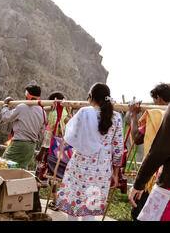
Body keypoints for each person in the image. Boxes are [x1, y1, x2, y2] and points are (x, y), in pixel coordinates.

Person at [55, 83, 124, 221]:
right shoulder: (116, 117)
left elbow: (70, 138)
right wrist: (115, 173)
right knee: (91, 205)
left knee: (74, 199)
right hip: (102, 167)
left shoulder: (84, 113)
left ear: (91, 97)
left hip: (81, 163)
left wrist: (69, 122)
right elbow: (118, 148)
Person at [128, 83, 170, 220]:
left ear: (158, 98)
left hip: (156, 178)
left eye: (154, 99)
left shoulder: (156, 115)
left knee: (138, 212)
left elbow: (137, 138)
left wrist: (133, 116)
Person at [36, 91, 73, 211]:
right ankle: (56, 200)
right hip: (65, 150)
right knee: (56, 176)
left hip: (53, 149)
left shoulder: (54, 114)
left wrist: (41, 152)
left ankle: (34, 200)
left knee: (41, 173)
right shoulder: (68, 113)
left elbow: (48, 135)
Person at [1, 84, 45, 170]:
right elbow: (41, 131)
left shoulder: (22, 107)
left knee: (3, 165)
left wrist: (5, 105)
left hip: (20, 143)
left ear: (27, 95)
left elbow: (6, 117)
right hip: (32, 146)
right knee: (21, 169)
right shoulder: (42, 111)